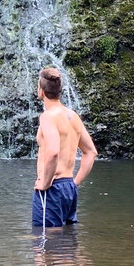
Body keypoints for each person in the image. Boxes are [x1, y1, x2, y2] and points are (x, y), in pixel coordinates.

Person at [32, 67, 97, 227]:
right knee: (68, 241)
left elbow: (53, 152)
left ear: (41, 91)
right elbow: (91, 152)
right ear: (59, 91)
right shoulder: (73, 116)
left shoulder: (47, 116)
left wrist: (45, 183)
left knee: (45, 241)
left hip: (52, 188)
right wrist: (75, 183)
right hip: (69, 187)